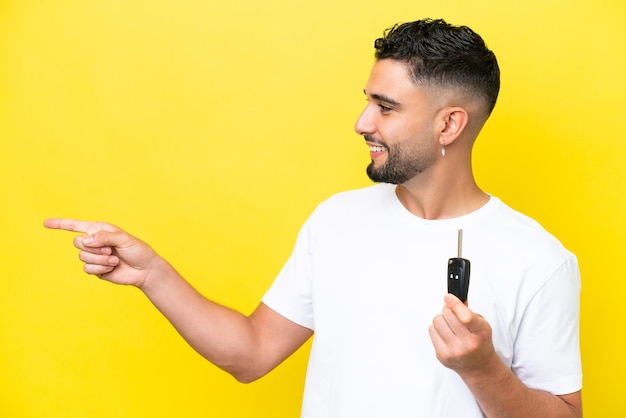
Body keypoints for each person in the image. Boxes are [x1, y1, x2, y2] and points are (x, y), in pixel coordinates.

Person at [44, 18, 582, 417]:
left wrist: (481, 368)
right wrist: (152, 274)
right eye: (367, 101)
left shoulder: (539, 259)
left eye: (386, 107)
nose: (361, 122)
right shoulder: (337, 220)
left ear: (449, 126)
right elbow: (251, 354)